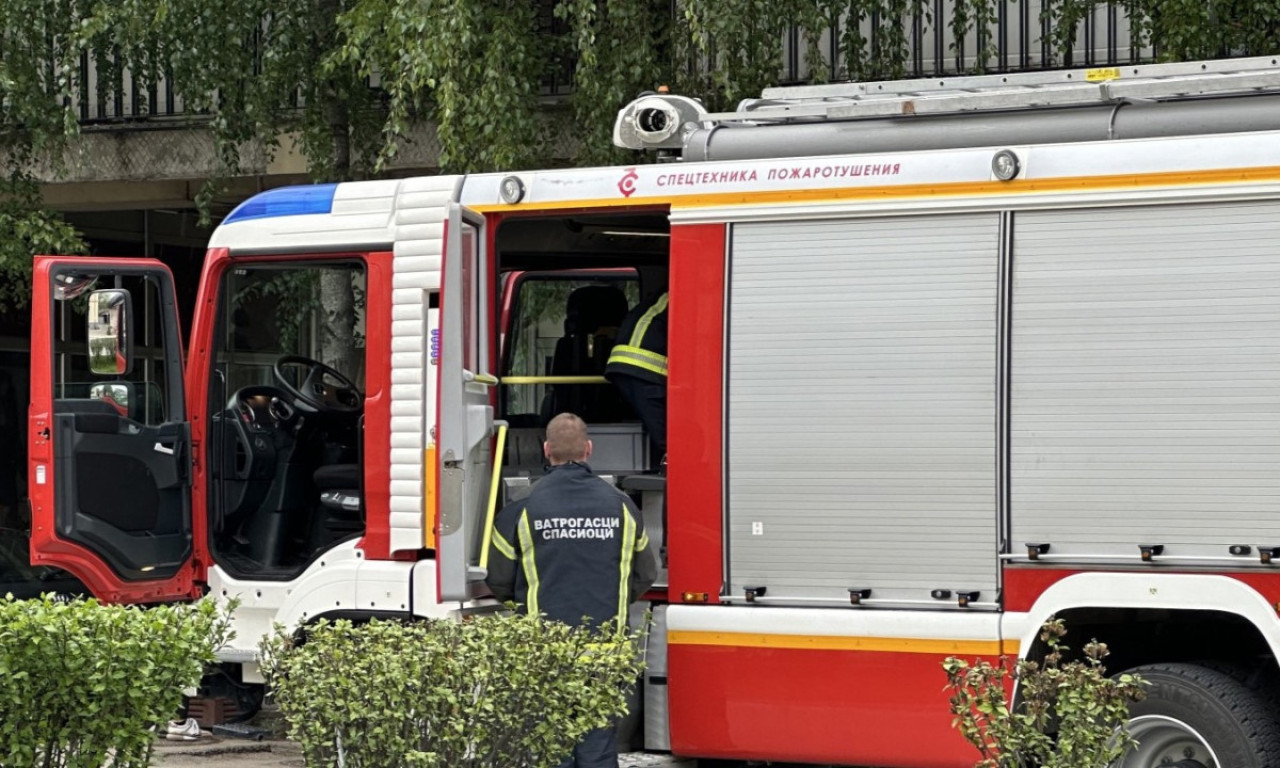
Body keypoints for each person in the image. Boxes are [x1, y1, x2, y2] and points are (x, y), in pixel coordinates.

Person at [486, 412, 658, 768]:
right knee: (597, 746)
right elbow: (645, 574)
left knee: (552, 744)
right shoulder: (623, 508)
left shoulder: (521, 509)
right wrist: (610, 600)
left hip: (545, 653)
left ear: (546, 450)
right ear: (589, 449)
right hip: (605, 652)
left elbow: (499, 580)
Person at [604, 291, 668, 463]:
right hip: (641, 367)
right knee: (671, 443)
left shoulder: (665, 296)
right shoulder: (680, 293)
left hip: (630, 366)